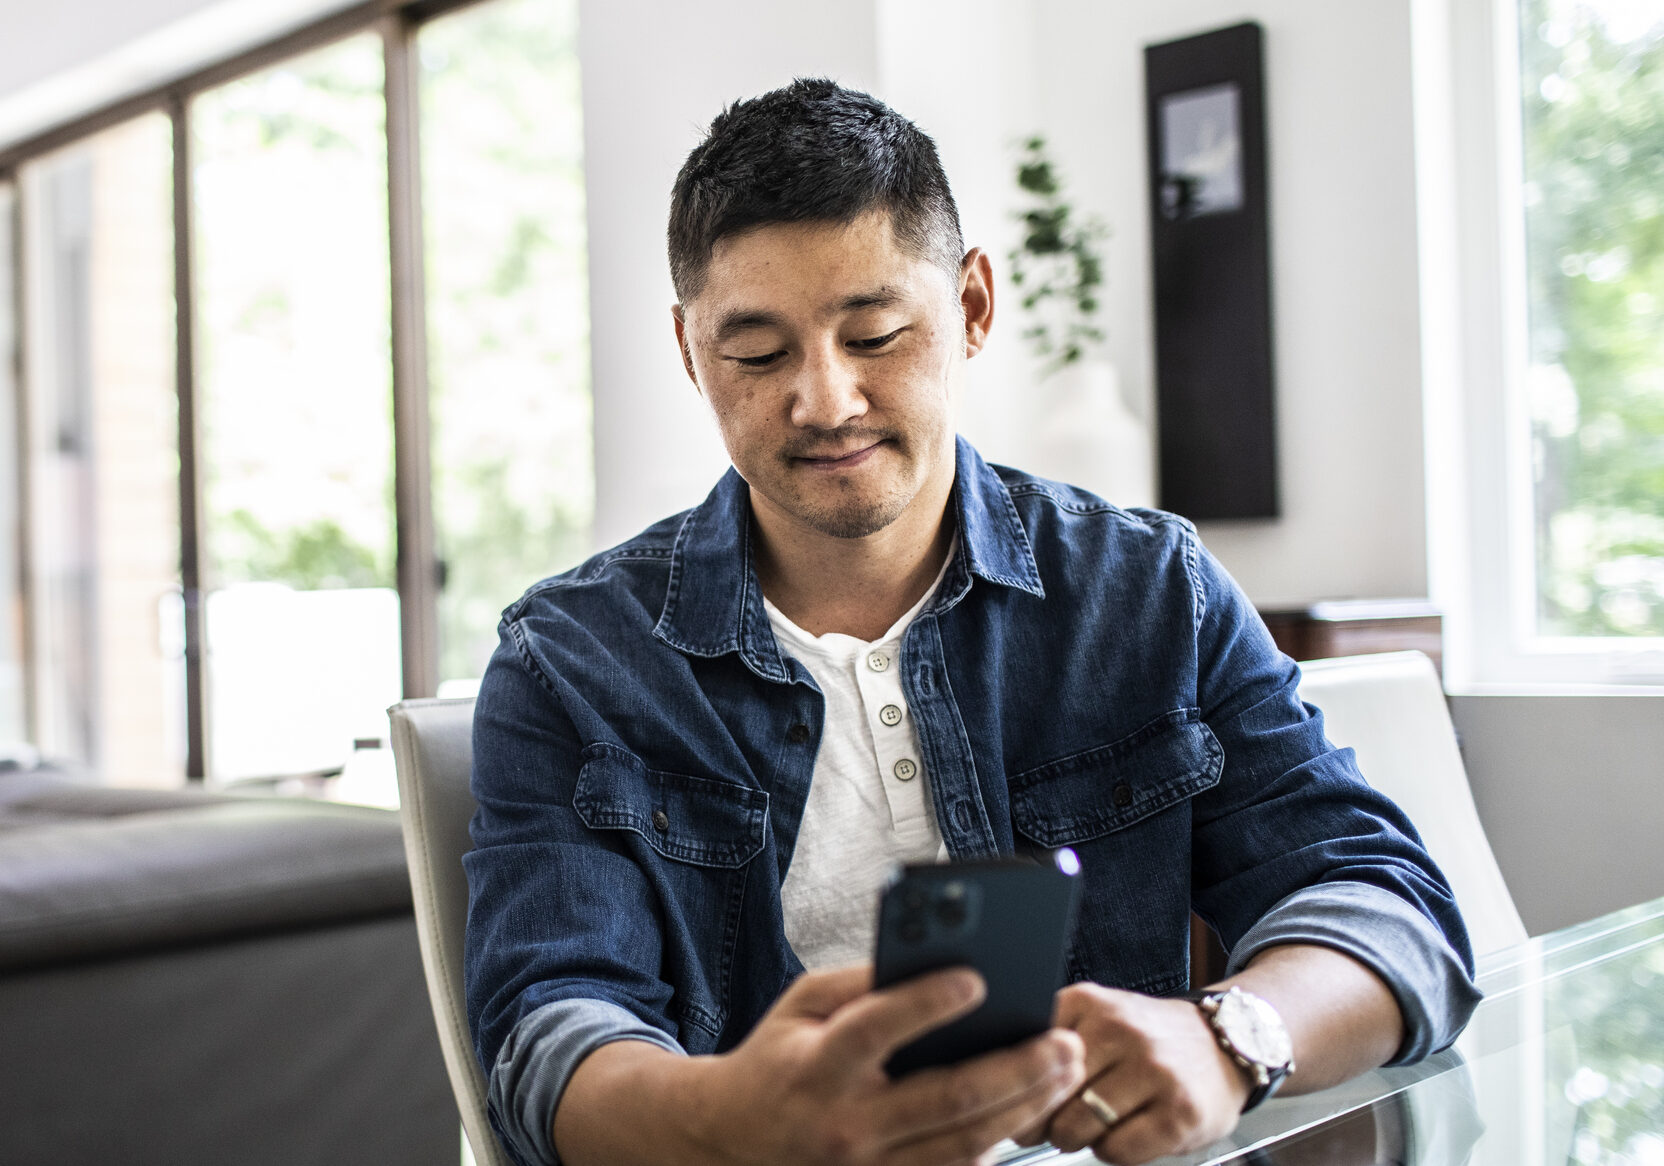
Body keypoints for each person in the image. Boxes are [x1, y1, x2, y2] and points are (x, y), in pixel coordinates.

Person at [464, 78, 1480, 1166]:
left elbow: (1387, 904)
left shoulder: (1146, 591)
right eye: (755, 354)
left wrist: (1226, 1036)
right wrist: (725, 1118)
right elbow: (547, 1033)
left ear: (973, 307)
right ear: (687, 351)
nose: (824, 399)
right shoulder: (570, 660)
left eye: (876, 333)